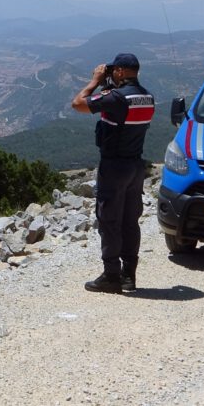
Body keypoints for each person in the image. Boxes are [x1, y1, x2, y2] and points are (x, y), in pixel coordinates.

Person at [71, 52, 155, 293]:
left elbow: (78, 104)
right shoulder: (147, 96)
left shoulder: (117, 97)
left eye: (113, 70)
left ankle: (111, 275)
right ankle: (129, 276)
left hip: (114, 166)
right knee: (130, 221)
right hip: (136, 166)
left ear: (119, 71)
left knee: (109, 220)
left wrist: (95, 81)